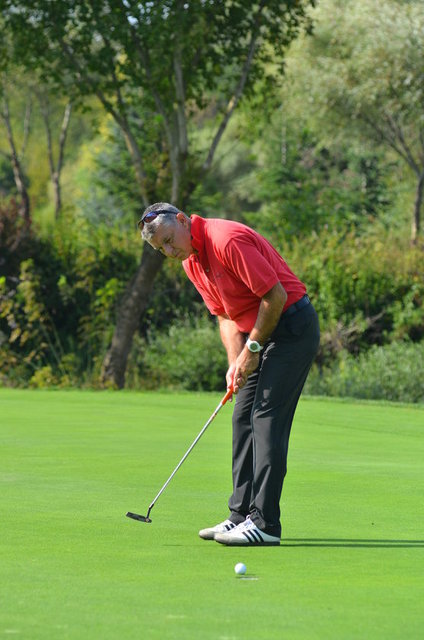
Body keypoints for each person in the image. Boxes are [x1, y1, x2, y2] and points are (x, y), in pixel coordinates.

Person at [139, 203, 320, 546]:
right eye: (161, 249)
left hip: (292, 327)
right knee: (242, 417)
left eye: (169, 240)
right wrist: (235, 362)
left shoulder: (225, 240)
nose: (169, 251)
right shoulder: (192, 262)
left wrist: (251, 350)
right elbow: (224, 316)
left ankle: (265, 524)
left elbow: (275, 295)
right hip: (258, 335)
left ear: (182, 221)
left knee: (265, 418)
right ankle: (240, 516)